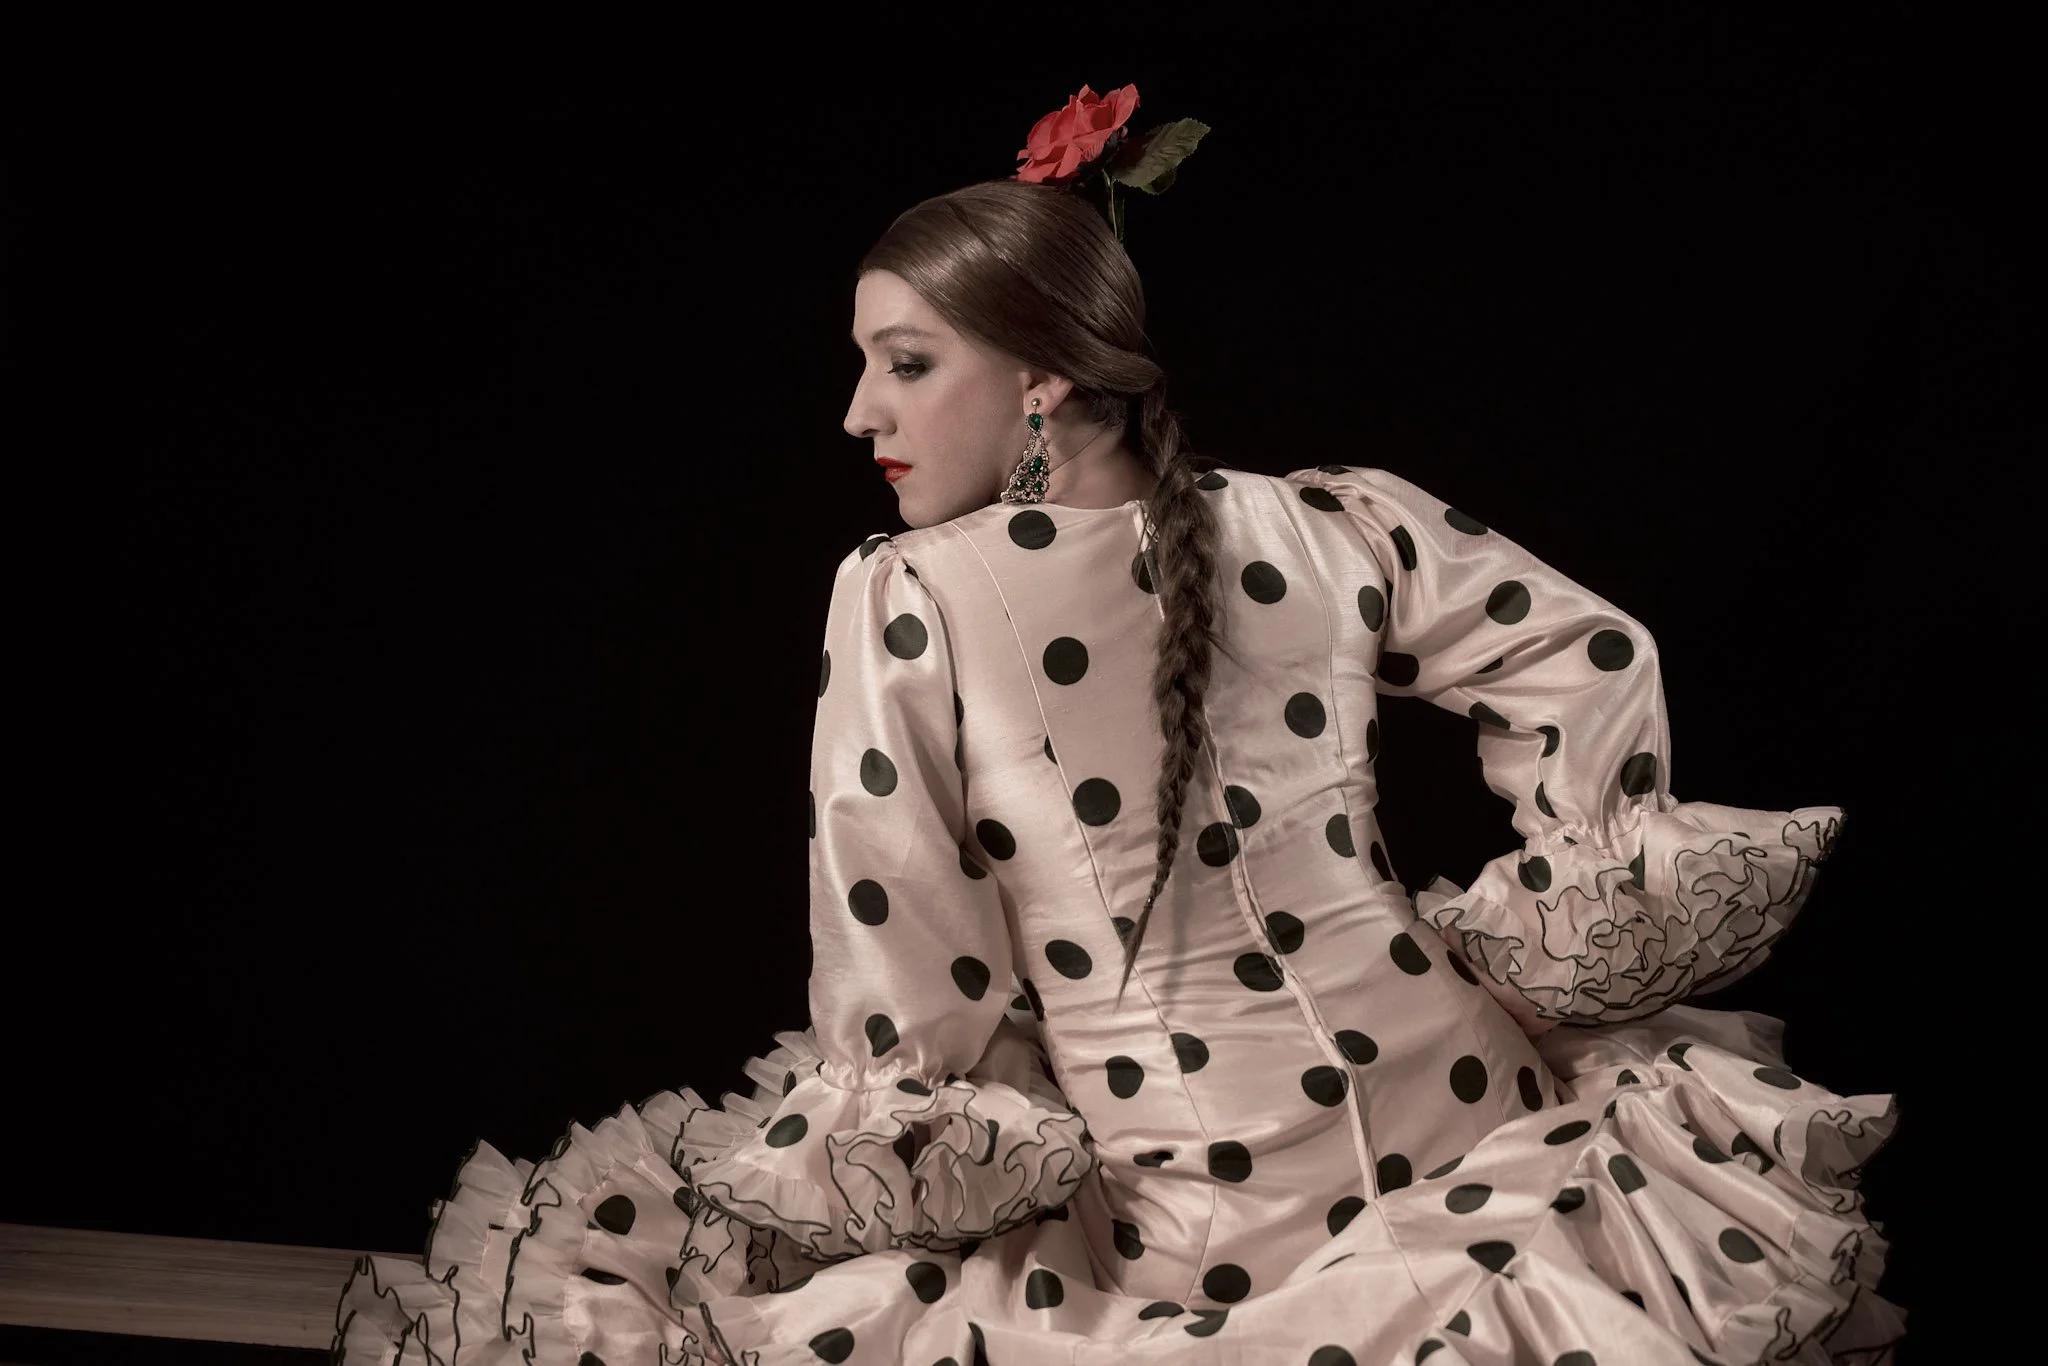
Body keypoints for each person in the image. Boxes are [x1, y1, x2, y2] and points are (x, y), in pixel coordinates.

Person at [332, 92, 1904, 1366]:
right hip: (1483, 1129)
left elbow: (905, 944)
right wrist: (1565, 894)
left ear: (1039, 378)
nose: (858, 416)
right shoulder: (1326, 522)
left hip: (1196, 1228)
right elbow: (1592, 648)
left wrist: (922, 1127)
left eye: (903, 362)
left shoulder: (910, 595)